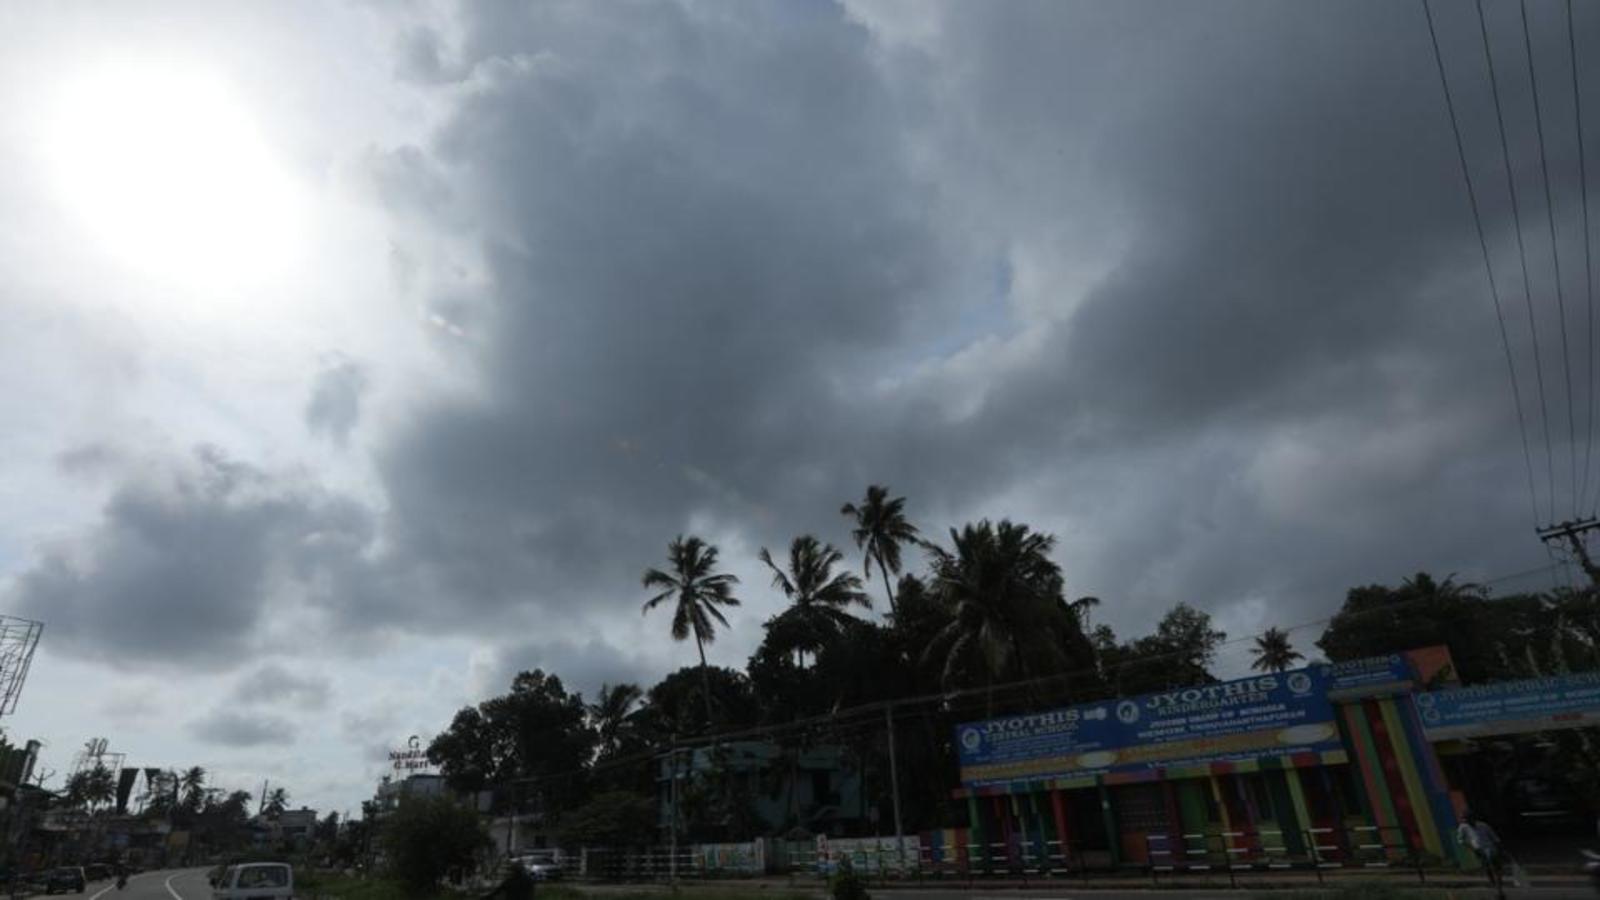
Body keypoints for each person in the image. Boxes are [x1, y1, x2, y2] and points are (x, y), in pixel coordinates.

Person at [1457, 810, 1506, 899]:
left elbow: (1494, 837)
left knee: (1496, 869)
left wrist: (1501, 849)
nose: (1467, 821)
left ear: (1473, 818)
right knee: (1488, 870)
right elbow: (1461, 840)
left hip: (1491, 849)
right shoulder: (1463, 827)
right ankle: (1496, 888)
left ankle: (1499, 890)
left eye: (1469, 819)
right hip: (1479, 850)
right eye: (1466, 820)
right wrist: (1472, 848)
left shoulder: (1483, 825)